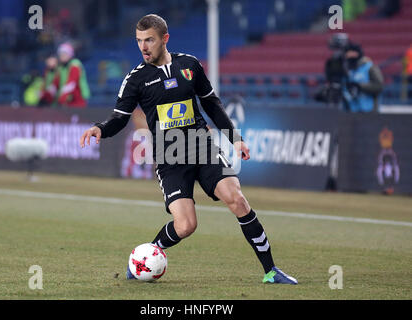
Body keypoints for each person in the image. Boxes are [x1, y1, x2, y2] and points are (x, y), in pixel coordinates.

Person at [80, 14, 297, 285]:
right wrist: (101, 128)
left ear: (164, 39)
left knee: (237, 199)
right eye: (139, 41)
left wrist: (235, 138)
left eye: (149, 39)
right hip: (170, 157)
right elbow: (119, 118)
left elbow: (212, 104)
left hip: (202, 146)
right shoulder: (136, 79)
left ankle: (271, 271)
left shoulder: (190, 65)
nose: (143, 46)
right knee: (186, 226)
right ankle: (145, 257)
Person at [341, 43, 384, 112]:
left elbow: (379, 86)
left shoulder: (370, 68)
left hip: (369, 111)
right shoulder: (348, 70)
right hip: (353, 111)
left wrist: (360, 86)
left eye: (351, 53)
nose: (349, 56)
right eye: (347, 54)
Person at [51, 42, 91, 108]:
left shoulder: (75, 65)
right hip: (68, 99)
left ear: (70, 55)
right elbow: (56, 82)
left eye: (64, 54)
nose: (62, 56)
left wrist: (62, 98)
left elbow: (71, 83)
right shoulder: (61, 67)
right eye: (60, 54)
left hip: (78, 98)